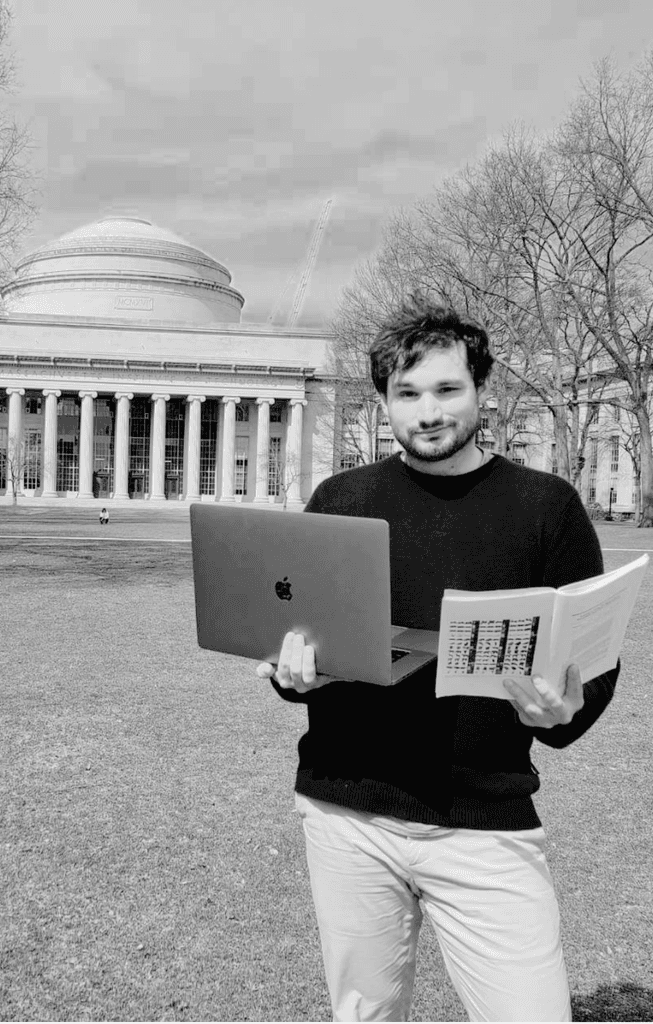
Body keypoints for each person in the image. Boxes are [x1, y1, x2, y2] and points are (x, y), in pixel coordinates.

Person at [256, 294, 618, 1023]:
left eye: (448, 390)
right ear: (385, 402)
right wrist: (292, 675)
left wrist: (567, 710)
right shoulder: (342, 497)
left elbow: (592, 663)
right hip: (348, 810)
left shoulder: (546, 506)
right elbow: (310, 640)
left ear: (483, 391)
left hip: (482, 816)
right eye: (407, 393)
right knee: (365, 1015)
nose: (428, 412)